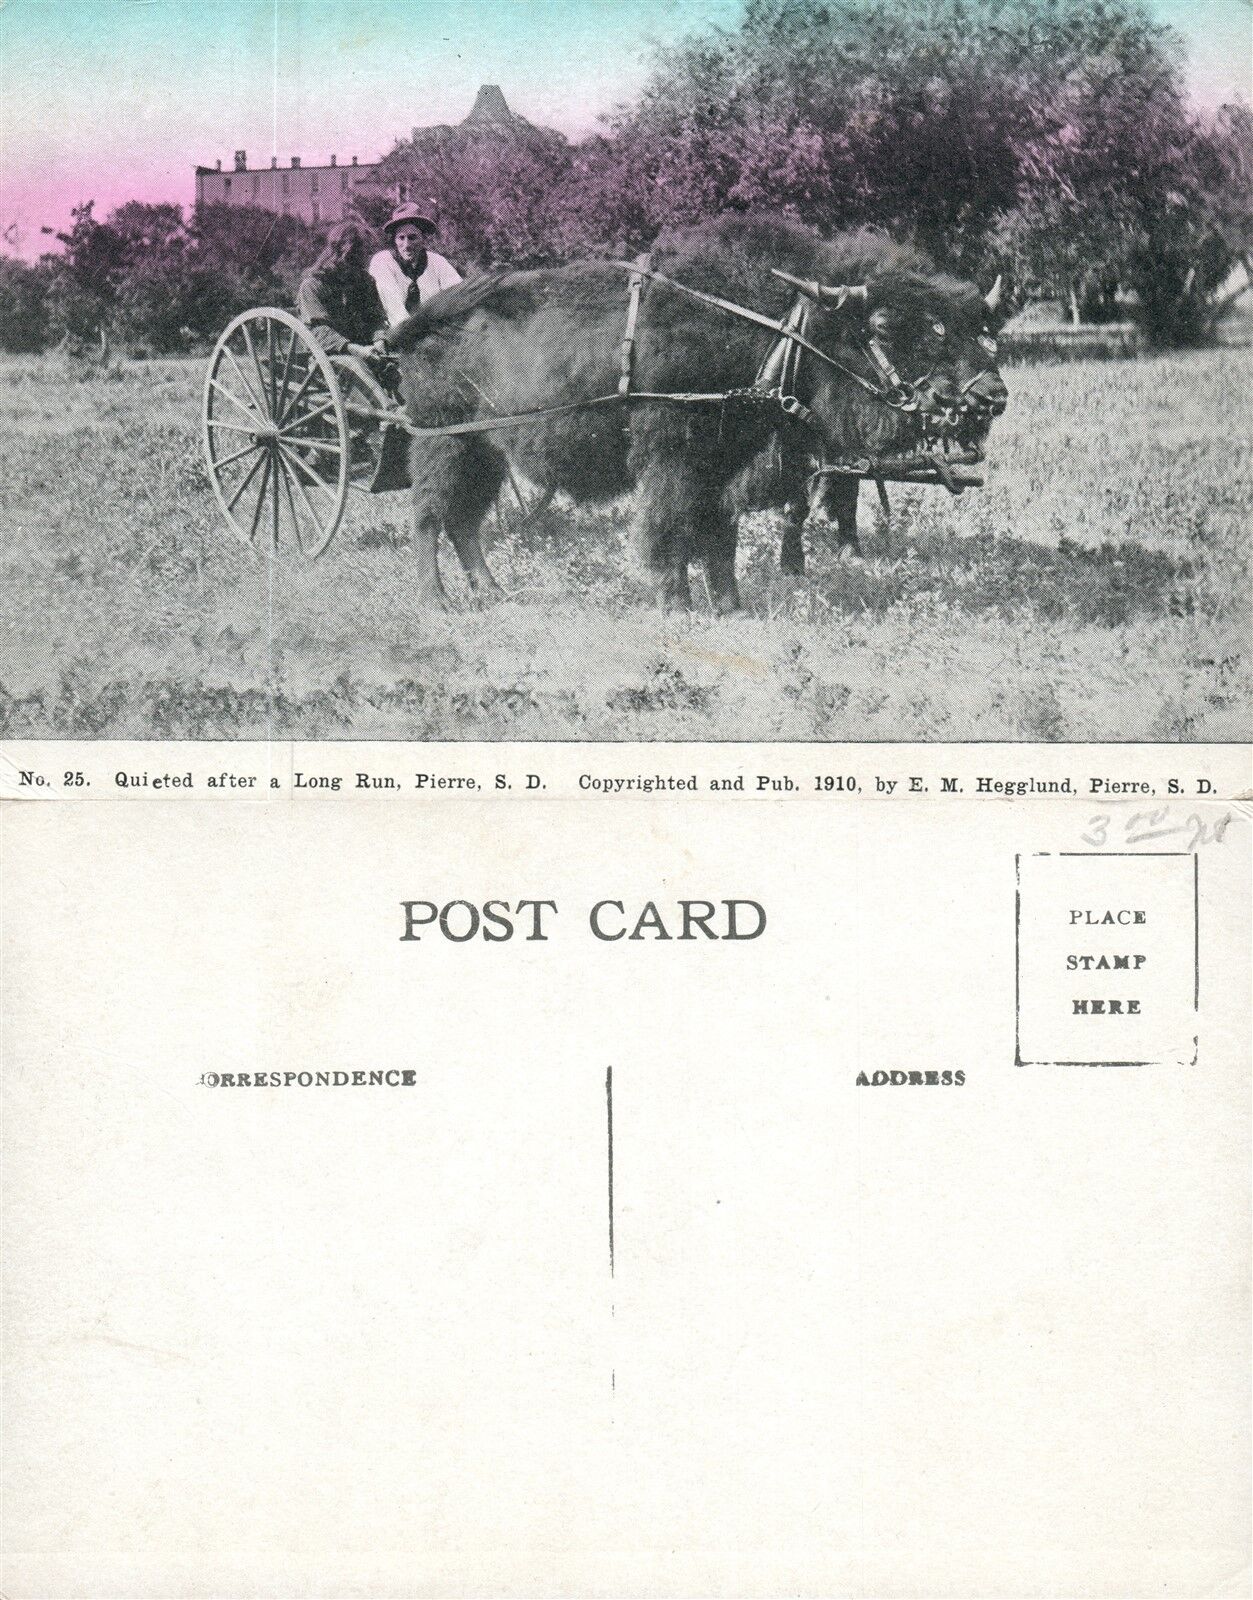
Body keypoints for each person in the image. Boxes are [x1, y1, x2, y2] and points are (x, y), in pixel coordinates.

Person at [296, 219, 389, 361]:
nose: (368, 259)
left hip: (365, 351)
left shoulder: (365, 281)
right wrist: (354, 349)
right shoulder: (312, 286)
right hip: (328, 358)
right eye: (363, 253)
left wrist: (379, 339)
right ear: (345, 254)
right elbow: (319, 332)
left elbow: (376, 318)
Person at [369, 204, 462, 328]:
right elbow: (395, 310)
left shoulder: (437, 262)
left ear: (423, 238)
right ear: (394, 240)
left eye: (412, 238)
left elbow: (458, 295)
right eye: (401, 238)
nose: (406, 245)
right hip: (396, 334)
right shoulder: (383, 261)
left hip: (433, 333)